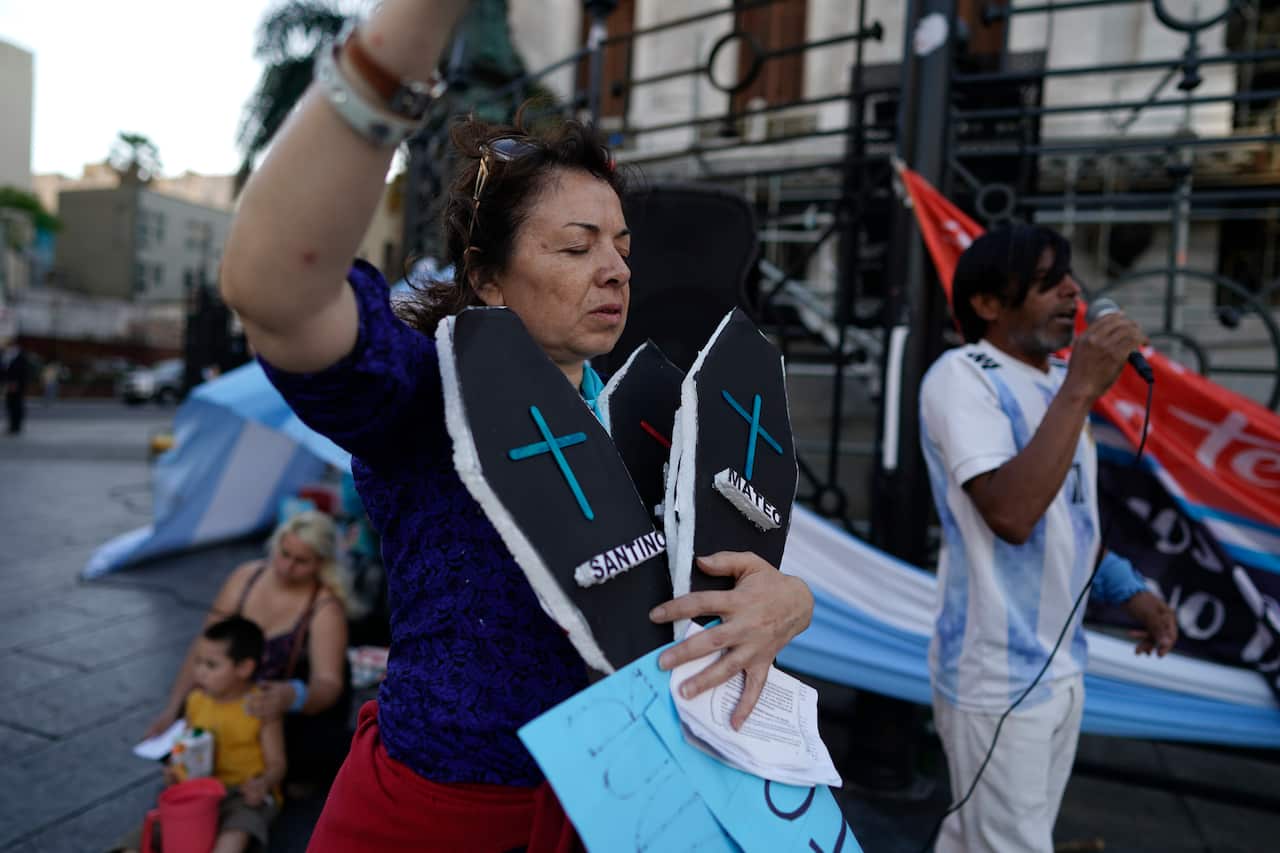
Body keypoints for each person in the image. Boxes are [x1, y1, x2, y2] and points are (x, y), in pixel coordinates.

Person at [217, 1, 814, 849]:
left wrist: (789, 601)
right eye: (576, 248)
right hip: (433, 813)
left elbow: (741, 571)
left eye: (622, 249)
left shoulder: (657, 412)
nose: (613, 269)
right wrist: (397, 50)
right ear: (486, 278)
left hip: (627, 810)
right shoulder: (431, 396)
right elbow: (274, 291)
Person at [919, 224, 1179, 853]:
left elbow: (1071, 520)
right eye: (1046, 282)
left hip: (1061, 666)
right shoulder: (965, 375)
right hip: (997, 673)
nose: (1073, 291)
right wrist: (1083, 388)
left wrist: (1128, 590)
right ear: (987, 305)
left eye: (1070, 278)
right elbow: (1011, 516)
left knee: (976, 837)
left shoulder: (1057, 384)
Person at [145, 511, 350, 790]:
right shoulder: (245, 578)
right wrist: (173, 710)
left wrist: (292, 695)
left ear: (321, 563)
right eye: (283, 553)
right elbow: (204, 648)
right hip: (227, 692)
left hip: (277, 711)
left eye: (301, 561)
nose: (286, 567)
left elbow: (329, 684)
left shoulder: (325, 607)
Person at [120, 617, 285, 853]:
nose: (200, 672)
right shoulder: (196, 701)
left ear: (244, 668)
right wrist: (174, 771)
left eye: (211, 665)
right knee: (153, 829)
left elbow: (277, 764)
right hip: (200, 789)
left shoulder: (261, 706)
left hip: (243, 794)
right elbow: (185, 747)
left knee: (236, 832)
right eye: (198, 662)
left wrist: (263, 783)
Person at [2, 339, 29, 434]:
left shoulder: (21, 356)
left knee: (16, 405)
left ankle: (16, 426)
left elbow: (23, 371)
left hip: (17, 385)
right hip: (9, 384)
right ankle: (12, 425)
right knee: (10, 405)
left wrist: (16, 382)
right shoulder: (7, 356)